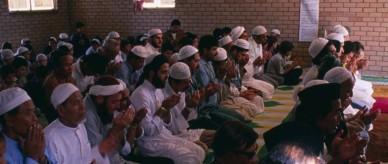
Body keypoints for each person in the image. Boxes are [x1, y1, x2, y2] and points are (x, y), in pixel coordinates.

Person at [264, 83, 367, 163]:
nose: (340, 119)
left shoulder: (313, 133)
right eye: (336, 113)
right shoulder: (304, 142)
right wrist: (339, 157)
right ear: (319, 116)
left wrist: (337, 155)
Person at [130, 55, 205, 164]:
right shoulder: (141, 94)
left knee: (199, 152)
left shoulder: (158, 91)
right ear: (152, 73)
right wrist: (164, 108)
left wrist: (167, 110)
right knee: (190, 158)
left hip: (164, 135)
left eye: (167, 73)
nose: (167, 77)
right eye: (163, 72)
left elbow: (169, 125)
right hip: (149, 144)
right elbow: (148, 131)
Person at [45, 83, 110, 163]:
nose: (82, 107)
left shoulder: (80, 125)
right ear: (61, 110)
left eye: (81, 101)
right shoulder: (50, 139)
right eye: (76, 103)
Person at [156, 62, 215, 145]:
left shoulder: (181, 91)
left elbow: (191, 120)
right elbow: (175, 129)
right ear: (173, 82)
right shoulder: (162, 96)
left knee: (217, 134)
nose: (188, 85)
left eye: (189, 81)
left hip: (186, 130)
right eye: (185, 82)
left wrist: (197, 102)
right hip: (174, 137)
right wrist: (188, 108)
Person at [84, 76, 140, 163]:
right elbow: (99, 157)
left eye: (119, 101)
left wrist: (131, 124)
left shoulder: (106, 109)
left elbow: (126, 150)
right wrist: (117, 129)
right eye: (114, 102)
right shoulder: (88, 115)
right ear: (99, 98)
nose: (118, 106)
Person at [0, 87, 56, 163]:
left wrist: (42, 157)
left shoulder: (33, 138)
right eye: (28, 113)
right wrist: (33, 157)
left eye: (34, 112)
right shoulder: (2, 151)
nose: (35, 118)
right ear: (9, 119)